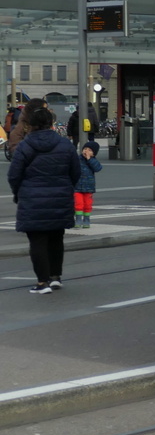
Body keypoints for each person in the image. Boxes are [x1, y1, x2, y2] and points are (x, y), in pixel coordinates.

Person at [8, 104, 80, 294]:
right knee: (56, 238)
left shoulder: (25, 146)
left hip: (32, 198)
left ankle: (42, 282)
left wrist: (19, 192)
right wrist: (66, 187)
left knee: (37, 241)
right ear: (51, 123)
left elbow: (13, 175)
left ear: (31, 125)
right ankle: (56, 277)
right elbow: (76, 171)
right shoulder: (65, 145)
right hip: (60, 197)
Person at [75, 140, 102, 228]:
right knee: (78, 203)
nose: (86, 151)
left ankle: (86, 219)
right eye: (85, 149)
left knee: (87, 204)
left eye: (89, 150)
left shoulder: (93, 161)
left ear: (94, 154)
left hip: (89, 187)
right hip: (77, 186)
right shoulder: (77, 159)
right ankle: (78, 219)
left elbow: (98, 168)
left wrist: (89, 159)